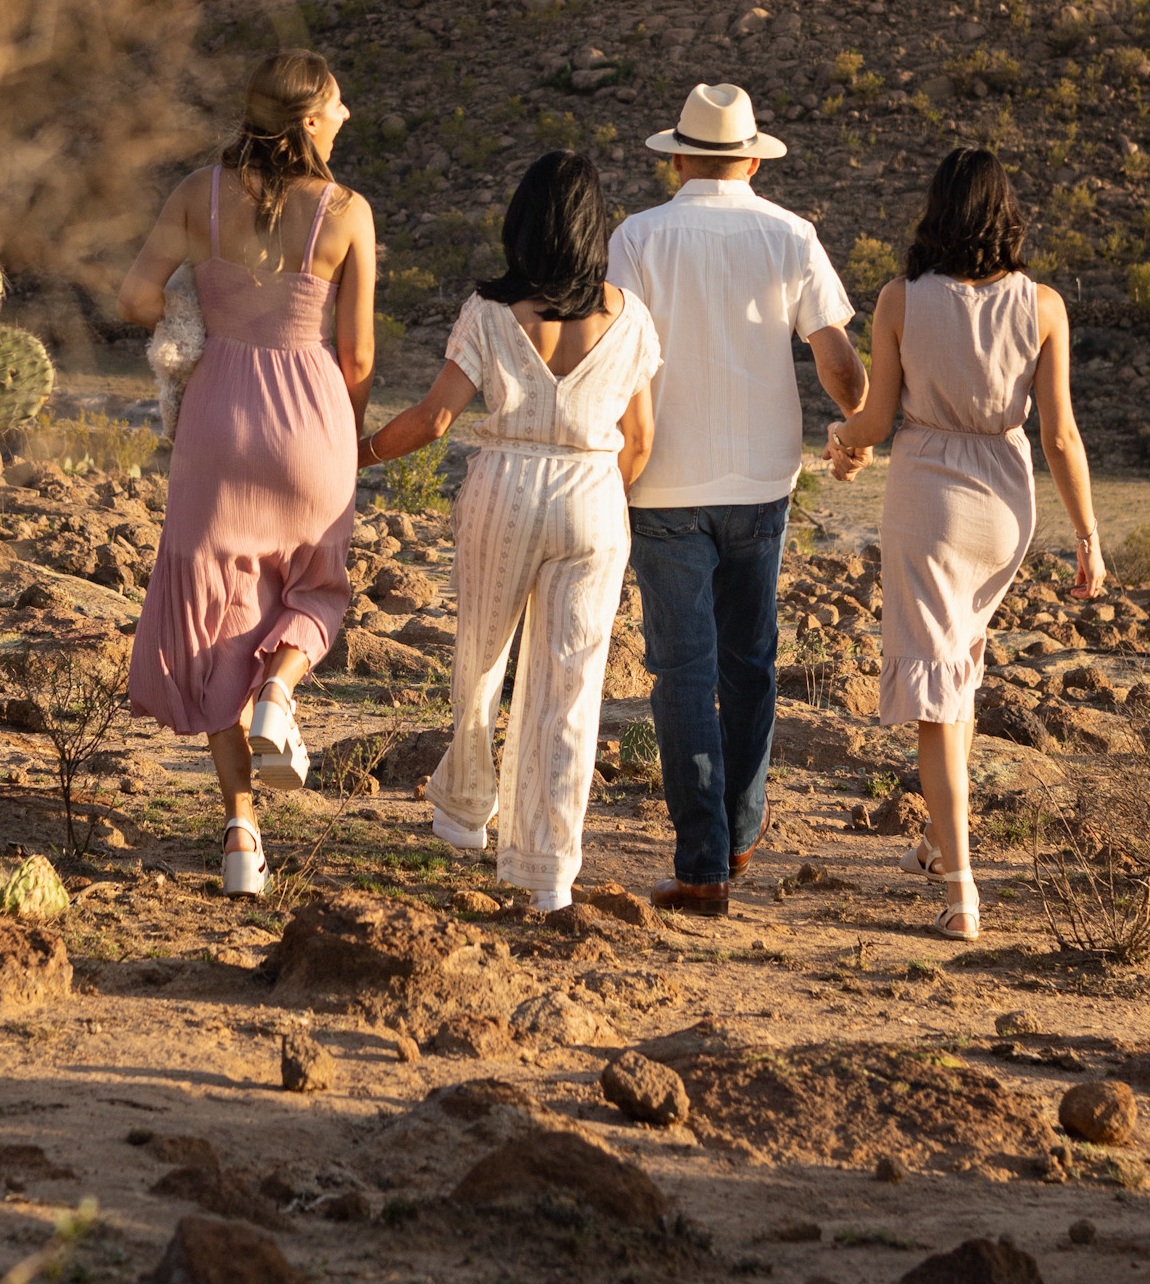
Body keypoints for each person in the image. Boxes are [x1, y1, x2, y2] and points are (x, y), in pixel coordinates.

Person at [360, 151, 659, 912]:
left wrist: (357, 451)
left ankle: (464, 809)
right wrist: (595, 499)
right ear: (595, 230)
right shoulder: (631, 317)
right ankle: (547, 872)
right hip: (594, 493)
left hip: (505, 485)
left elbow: (434, 419)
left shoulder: (490, 313)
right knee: (570, 688)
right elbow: (643, 440)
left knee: (481, 657)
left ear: (522, 223)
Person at [117, 48, 377, 898]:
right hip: (313, 415)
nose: (345, 118)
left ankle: (239, 838)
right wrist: (354, 441)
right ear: (308, 121)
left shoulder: (200, 193)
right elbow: (360, 352)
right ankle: (280, 691)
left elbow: (132, 299)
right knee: (318, 588)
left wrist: (192, 316)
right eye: (337, 107)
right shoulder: (346, 212)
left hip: (218, 416)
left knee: (218, 617)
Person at [828, 146, 1104, 941]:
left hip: (929, 500)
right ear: (1006, 213)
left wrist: (839, 439)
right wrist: (1087, 535)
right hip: (1007, 509)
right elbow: (1060, 436)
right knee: (961, 672)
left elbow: (877, 423)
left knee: (935, 702)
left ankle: (960, 891)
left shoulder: (899, 302)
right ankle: (936, 842)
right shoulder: (1044, 306)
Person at [609, 83, 868, 919]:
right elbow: (834, 355)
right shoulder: (791, 235)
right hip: (763, 476)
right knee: (750, 662)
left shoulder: (636, 237)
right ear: (753, 159)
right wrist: (857, 426)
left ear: (677, 159)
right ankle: (742, 828)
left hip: (661, 479)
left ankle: (702, 864)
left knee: (680, 670)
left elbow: (617, 359)